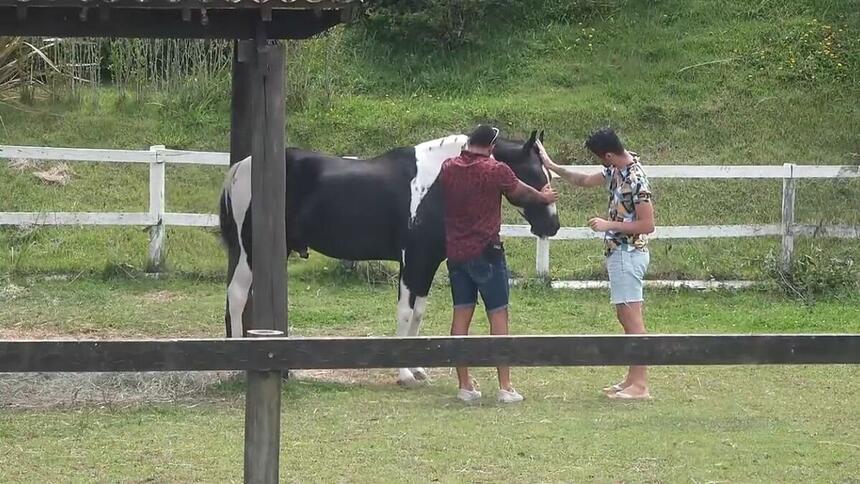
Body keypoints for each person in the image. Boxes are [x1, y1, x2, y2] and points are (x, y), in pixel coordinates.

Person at [440, 125, 558, 403]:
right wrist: (544, 197)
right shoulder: (496, 171)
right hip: (487, 252)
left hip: (456, 253)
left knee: (460, 318)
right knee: (498, 317)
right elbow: (520, 192)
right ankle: (505, 386)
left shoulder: (448, 167)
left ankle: (465, 385)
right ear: (492, 147)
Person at [537, 127, 655, 400]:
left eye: (601, 158)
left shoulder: (636, 180)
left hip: (628, 252)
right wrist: (552, 165)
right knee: (626, 316)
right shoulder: (616, 170)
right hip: (619, 253)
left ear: (610, 155)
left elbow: (647, 225)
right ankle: (632, 379)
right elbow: (583, 180)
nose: (600, 163)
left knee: (632, 320)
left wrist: (608, 225)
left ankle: (640, 384)